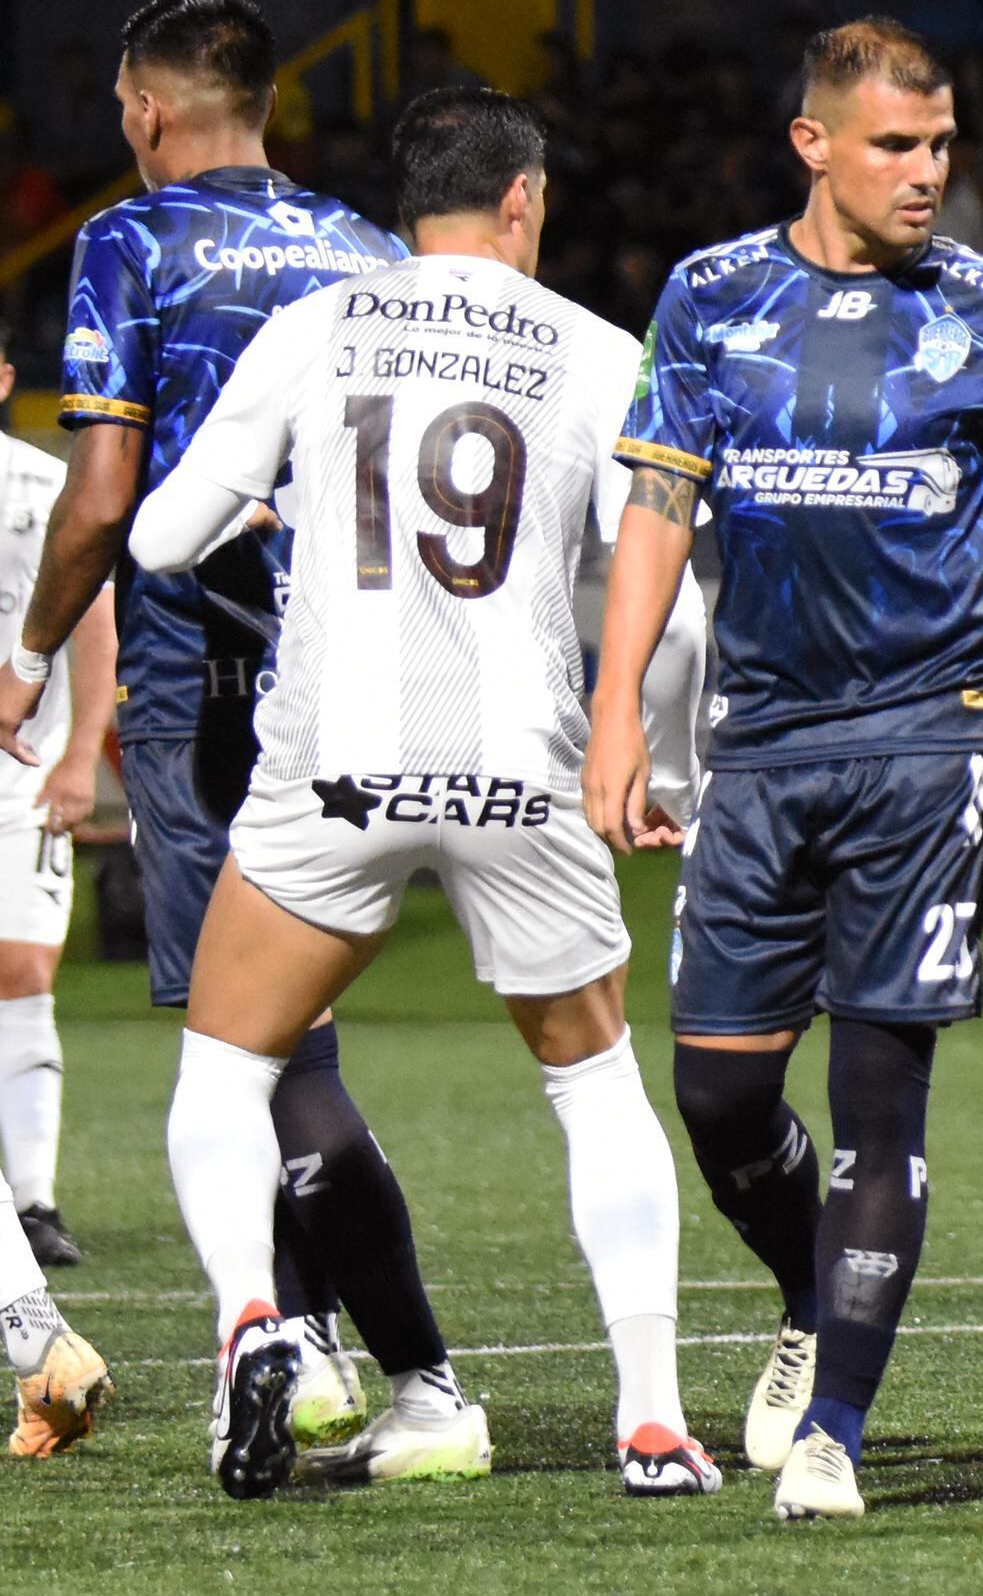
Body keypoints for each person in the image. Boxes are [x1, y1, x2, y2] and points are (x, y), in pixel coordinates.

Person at [127, 87, 710, 1497]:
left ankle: (253, 1323)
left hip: (336, 759)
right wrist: (666, 768)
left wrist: (267, 509)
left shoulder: (315, 327)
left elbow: (156, 539)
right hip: (523, 760)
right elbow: (679, 615)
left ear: (407, 206)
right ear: (523, 201)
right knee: (593, 1083)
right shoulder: (596, 350)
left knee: (224, 1071)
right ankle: (649, 1417)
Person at [583, 17, 983, 1523]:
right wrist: (617, 712)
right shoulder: (711, 298)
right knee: (720, 1098)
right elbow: (658, 517)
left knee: (884, 1101)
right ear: (814, 144)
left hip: (931, 740)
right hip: (761, 744)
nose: (927, 173)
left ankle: (839, 1434)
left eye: (939, 146)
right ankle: (813, 1296)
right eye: (894, 146)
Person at [1, 0, 464, 1464]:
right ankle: (319, 1351)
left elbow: (100, 497)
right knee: (291, 1029)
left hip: (213, 680)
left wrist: (29, 659)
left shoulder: (131, 243)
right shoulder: (366, 247)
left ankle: (386, 1369)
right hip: (367, 675)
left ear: (145, 109)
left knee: (253, 1047)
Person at [0, 340, 106, 1455]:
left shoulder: (39, 487)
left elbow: (97, 589)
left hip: (15, 768)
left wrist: (79, 746)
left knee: (25, 971)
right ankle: (40, 1346)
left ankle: (40, 1346)